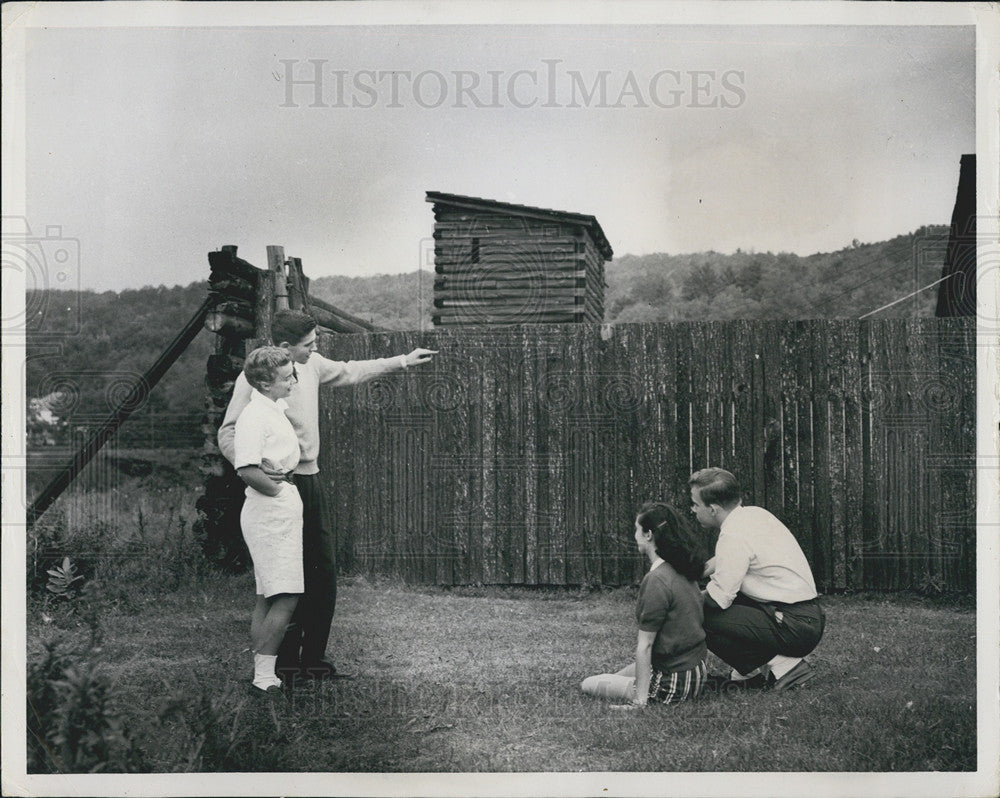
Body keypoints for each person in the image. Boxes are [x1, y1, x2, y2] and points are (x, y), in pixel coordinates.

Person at [219, 309, 436, 681]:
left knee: (323, 574)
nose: (315, 348)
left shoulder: (313, 365)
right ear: (284, 347)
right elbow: (229, 431)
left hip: (310, 481)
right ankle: (281, 664)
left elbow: (352, 370)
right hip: (279, 485)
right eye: (308, 344)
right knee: (286, 578)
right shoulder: (255, 379)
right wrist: (258, 473)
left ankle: (313, 661)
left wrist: (403, 361)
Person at [690, 467, 825, 691]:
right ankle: (748, 674)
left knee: (697, 613)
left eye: (695, 504)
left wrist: (681, 599)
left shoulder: (733, 535)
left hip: (794, 625)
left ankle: (785, 666)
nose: (692, 510)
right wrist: (691, 573)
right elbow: (729, 558)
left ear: (713, 509)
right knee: (713, 603)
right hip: (806, 617)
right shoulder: (752, 515)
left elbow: (718, 599)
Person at [581, 502, 709, 707]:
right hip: (694, 672)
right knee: (613, 675)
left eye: (636, 529)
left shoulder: (657, 579)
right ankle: (616, 680)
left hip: (671, 684)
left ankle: (640, 693)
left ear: (648, 535)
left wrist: (640, 701)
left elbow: (645, 645)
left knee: (588, 684)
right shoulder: (684, 569)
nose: (635, 535)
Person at [232, 346, 303, 692]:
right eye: (286, 377)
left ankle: (263, 674)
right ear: (263, 383)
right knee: (286, 594)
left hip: (280, 507)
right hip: (269, 511)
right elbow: (246, 468)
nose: (293, 381)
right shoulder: (253, 416)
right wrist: (276, 492)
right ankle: (263, 677)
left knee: (269, 594)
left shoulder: (272, 409)